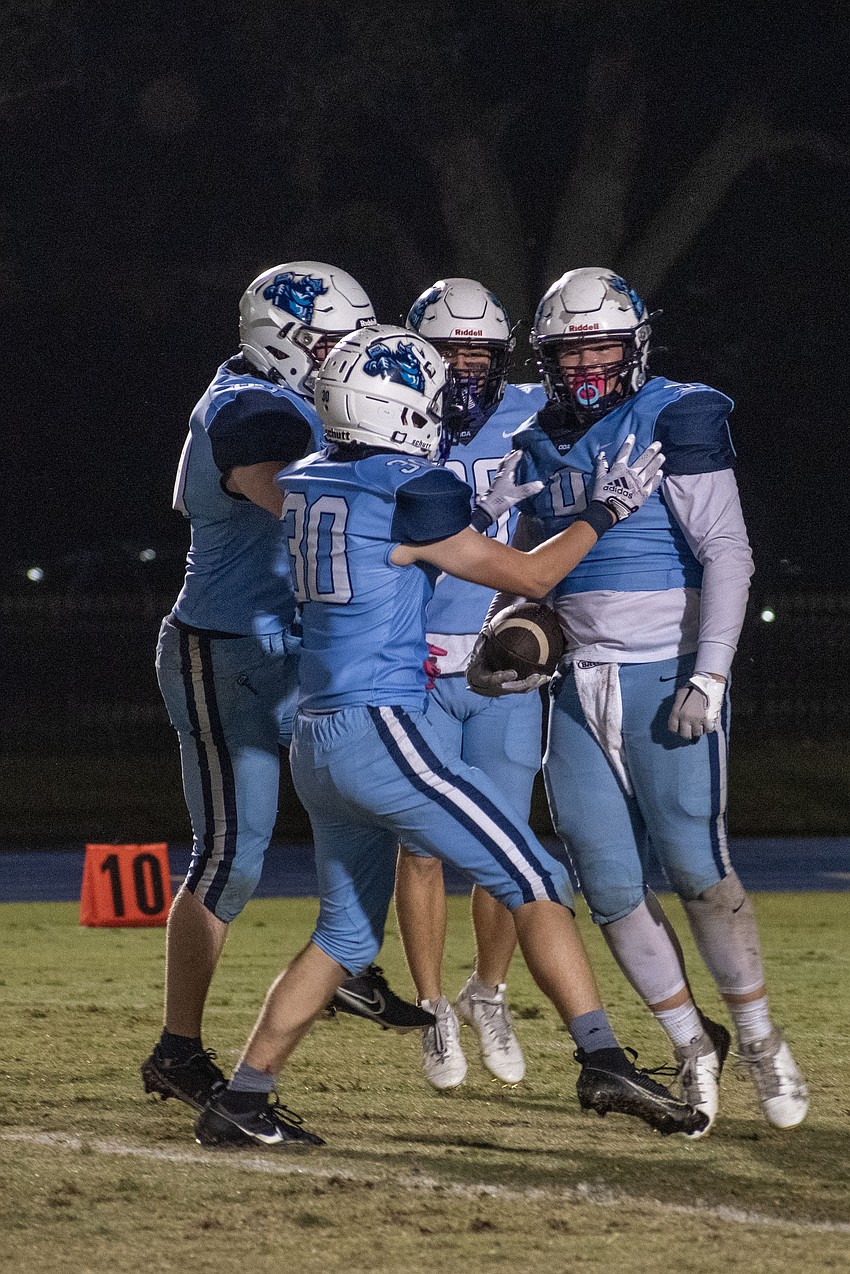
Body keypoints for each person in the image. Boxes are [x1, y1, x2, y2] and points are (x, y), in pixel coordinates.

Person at [192, 322, 707, 1150]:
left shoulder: (310, 475)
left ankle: (242, 1098)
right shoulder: (407, 484)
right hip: (378, 729)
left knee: (345, 934)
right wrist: (607, 511)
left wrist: (473, 517)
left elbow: (385, 556)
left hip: (319, 734)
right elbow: (535, 576)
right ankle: (602, 1058)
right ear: (398, 405)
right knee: (535, 876)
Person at [467, 267, 808, 1134]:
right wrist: (501, 608)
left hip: (666, 670)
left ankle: (762, 1036)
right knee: (609, 883)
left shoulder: (678, 413)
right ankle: (694, 1046)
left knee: (696, 867)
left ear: (635, 345)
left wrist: (713, 671)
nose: (586, 361)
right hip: (578, 682)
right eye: (570, 346)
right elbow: (536, 577)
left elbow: (727, 552)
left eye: (602, 344)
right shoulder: (537, 436)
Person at [142, 263, 429, 1116]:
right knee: (233, 855)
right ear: (283, 341)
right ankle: (178, 1050)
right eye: (333, 343)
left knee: (366, 806)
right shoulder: (252, 409)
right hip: (227, 654)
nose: (348, 359)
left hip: (291, 653)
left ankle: (347, 964)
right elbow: (303, 509)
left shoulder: (273, 399)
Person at [390, 278, 547, 1089]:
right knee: (420, 848)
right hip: (411, 661)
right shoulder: (385, 411)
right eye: (450, 351)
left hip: (500, 662)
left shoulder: (531, 407)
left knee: (507, 846)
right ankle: (431, 1009)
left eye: (477, 353)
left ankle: (488, 992)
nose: (464, 367)